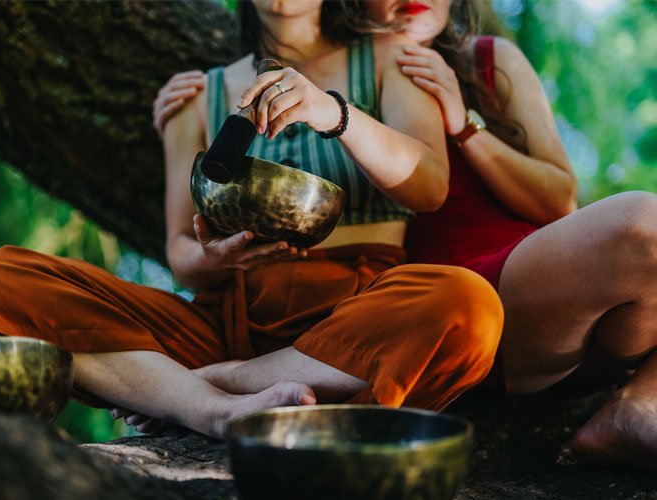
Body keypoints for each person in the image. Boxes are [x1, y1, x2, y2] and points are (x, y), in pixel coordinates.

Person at [0, 0, 505, 440]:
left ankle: (213, 385)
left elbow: (431, 186)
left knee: (469, 306)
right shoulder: (197, 98)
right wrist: (211, 257)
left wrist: (333, 113)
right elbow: (180, 255)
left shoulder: (393, 57)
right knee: (2, 279)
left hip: (356, 313)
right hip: (229, 318)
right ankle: (211, 409)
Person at [152, 0, 657, 466]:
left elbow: (560, 200)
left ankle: (638, 403)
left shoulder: (487, 61)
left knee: (644, 228)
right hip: (448, 313)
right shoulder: (344, 74)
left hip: (555, 301)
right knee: (643, 226)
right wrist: (192, 113)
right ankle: (236, 381)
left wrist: (464, 127)